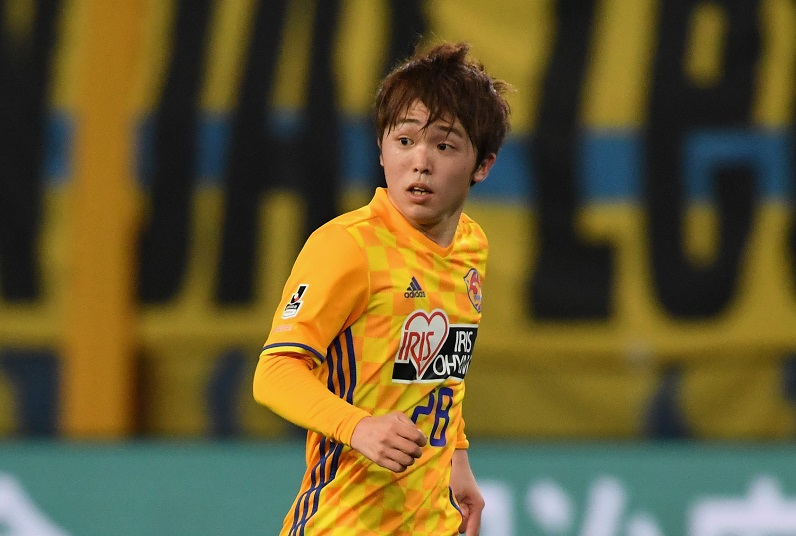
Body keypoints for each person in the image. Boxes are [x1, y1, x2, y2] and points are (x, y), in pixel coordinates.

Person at [253, 41, 512, 536]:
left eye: (444, 145)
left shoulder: (470, 247)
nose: (421, 161)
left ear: (483, 165)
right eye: (405, 140)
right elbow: (274, 372)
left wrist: (457, 460)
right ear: (381, 148)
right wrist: (359, 427)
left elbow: (443, 375)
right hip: (341, 524)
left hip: (430, 523)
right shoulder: (348, 247)